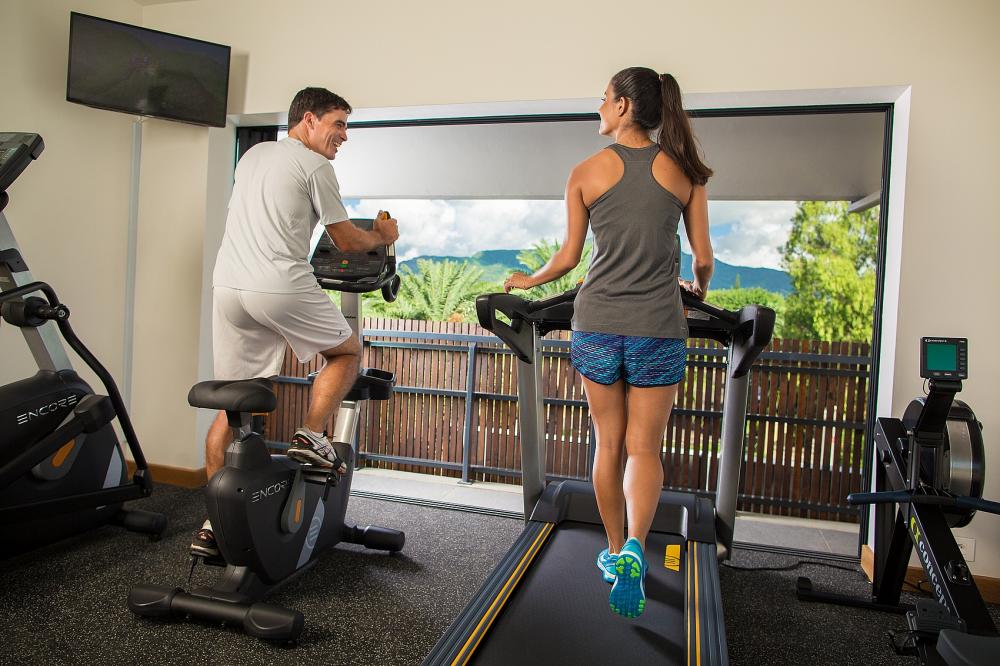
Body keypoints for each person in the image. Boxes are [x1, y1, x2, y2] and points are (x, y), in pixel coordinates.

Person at [503, 67, 713, 618]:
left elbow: (569, 258)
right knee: (645, 448)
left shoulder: (584, 172)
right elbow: (704, 258)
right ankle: (638, 549)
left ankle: (615, 549)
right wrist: (700, 287)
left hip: (596, 323)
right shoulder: (686, 172)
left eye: (603, 99)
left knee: (608, 443)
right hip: (658, 327)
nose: (598, 107)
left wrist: (529, 281)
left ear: (622, 107)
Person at [190, 87, 400, 557]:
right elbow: (346, 242)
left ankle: (215, 521)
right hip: (278, 282)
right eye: (338, 124)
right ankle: (309, 436)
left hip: (228, 286)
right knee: (346, 352)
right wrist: (382, 237)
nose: (344, 136)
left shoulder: (255, 155)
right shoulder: (316, 166)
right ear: (308, 120)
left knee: (235, 404)